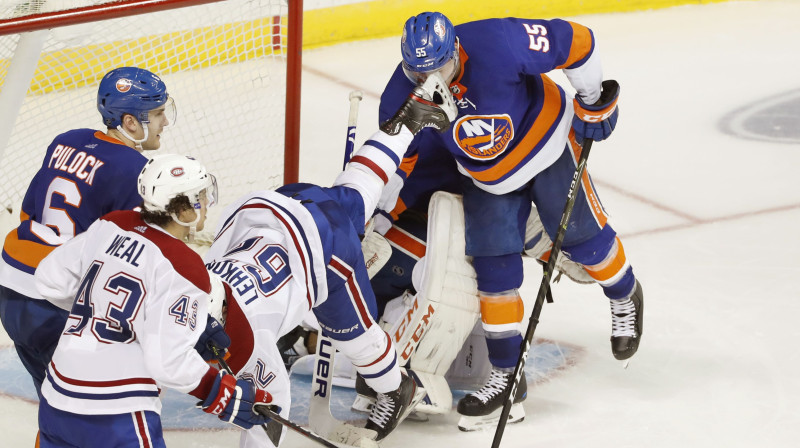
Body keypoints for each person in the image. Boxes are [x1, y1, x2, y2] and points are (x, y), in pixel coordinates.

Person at [378, 12, 644, 430]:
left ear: (456, 52)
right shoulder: (402, 97)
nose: (431, 80)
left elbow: (575, 40)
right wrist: (378, 211)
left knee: (585, 244)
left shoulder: (497, 40)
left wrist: (592, 100)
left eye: (440, 69)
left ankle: (624, 294)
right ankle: (504, 375)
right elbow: (397, 164)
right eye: (418, 71)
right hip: (485, 179)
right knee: (493, 273)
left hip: (550, 147)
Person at [201, 73, 457, 445]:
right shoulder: (186, 282)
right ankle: (410, 121)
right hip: (277, 207)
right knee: (354, 190)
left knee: (356, 336)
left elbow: (269, 414)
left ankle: (398, 387)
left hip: (327, 252)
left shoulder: (250, 342)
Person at [33, 154, 273, 447]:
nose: (207, 203)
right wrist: (220, 393)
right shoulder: (185, 265)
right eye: (200, 196)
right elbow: (167, 363)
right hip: (116, 411)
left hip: (56, 397)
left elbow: (49, 278)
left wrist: (104, 311)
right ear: (183, 209)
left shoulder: (111, 224)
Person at [0, 66, 175, 398]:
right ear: (129, 122)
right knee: (105, 409)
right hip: (55, 303)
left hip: (10, 286)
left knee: (57, 409)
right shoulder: (138, 172)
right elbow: (129, 260)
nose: (164, 122)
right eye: (157, 113)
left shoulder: (66, 140)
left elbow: (28, 211)